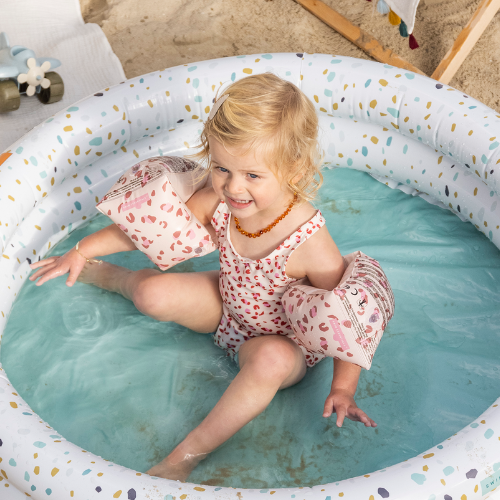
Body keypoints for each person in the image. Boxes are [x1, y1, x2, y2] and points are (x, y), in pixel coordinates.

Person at [29, 73, 377, 482]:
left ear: (295, 170)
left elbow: (345, 320)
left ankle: (185, 456)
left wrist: (343, 389)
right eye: (221, 167)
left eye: (252, 175)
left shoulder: (309, 241)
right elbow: (153, 229)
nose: (234, 187)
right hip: (228, 308)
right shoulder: (220, 198)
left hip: (283, 343)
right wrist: (83, 249)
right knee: (154, 293)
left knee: (272, 359)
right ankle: (112, 278)